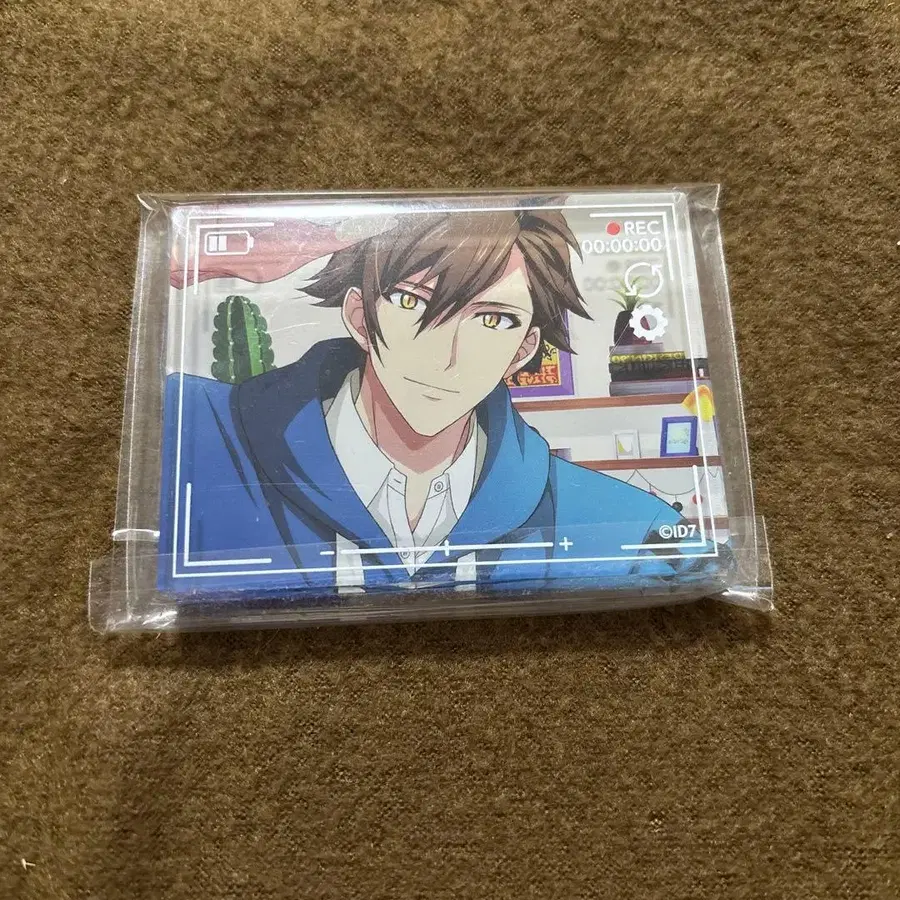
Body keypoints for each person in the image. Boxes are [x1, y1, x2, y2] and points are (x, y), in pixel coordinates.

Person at [158, 208, 718, 596]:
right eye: (413, 303)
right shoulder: (200, 431)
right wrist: (198, 249)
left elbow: (702, 568)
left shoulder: (621, 525)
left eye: (493, 319)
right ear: (360, 317)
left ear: (524, 350)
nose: (446, 356)